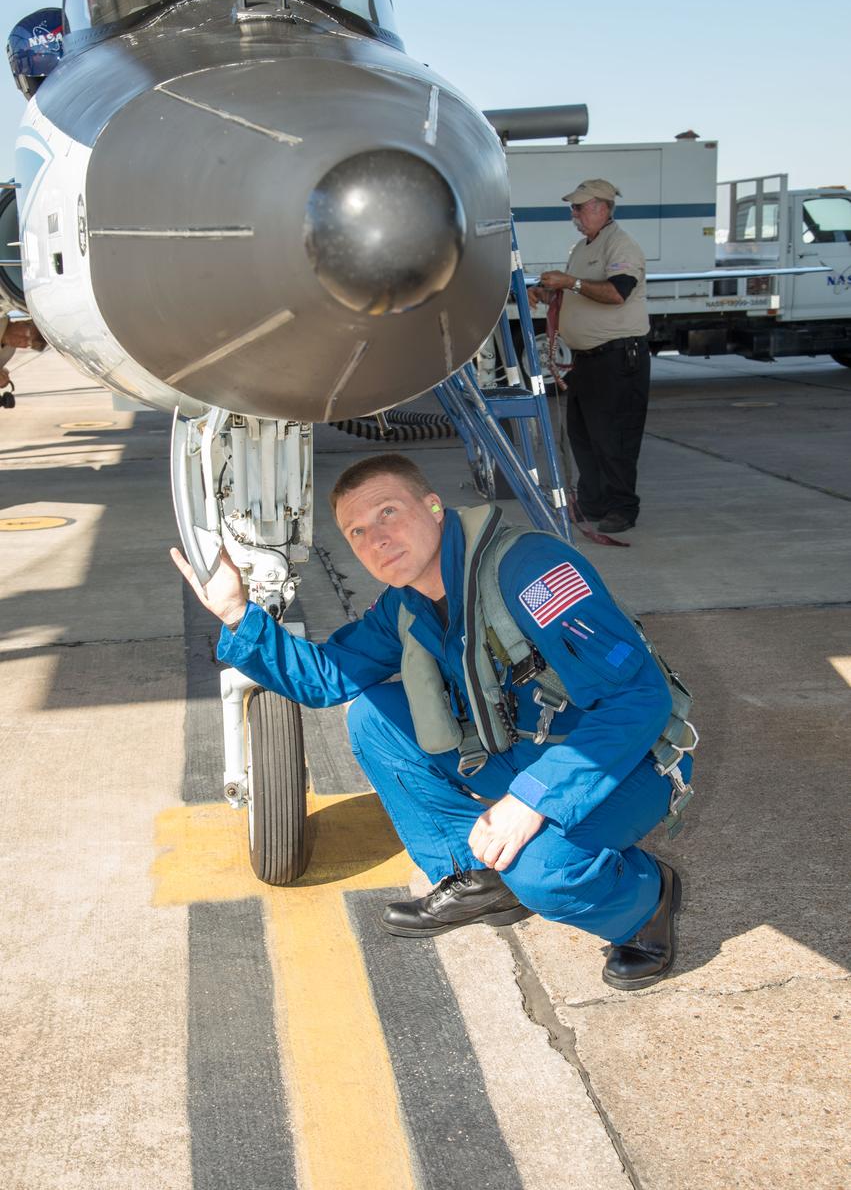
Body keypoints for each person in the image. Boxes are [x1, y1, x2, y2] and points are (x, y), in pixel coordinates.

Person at [171, 453, 695, 990]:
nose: (376, 538)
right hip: (521, 750)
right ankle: (475, 876)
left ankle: (643, 901)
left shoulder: (531, 571)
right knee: (373, 718)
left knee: (542, 872)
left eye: (388, 513)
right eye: (357, 531)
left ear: (434, 507)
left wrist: (531, 799)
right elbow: (325, 678)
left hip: (628, 763)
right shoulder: (407, 603)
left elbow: (637, 700)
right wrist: (238, 615)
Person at [528, 179, 651, 534]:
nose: (574, 214)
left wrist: (571, 283)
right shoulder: (585, 246)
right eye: (574, 208)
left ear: (602, 207)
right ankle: (595, 501)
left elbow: (617, 293)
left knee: (614, 438)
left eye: (579, 208)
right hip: (590, 359)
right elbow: (579, 294)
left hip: (617, 359)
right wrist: (547, 293)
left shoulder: (620, 245)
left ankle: (622, 508)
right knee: (583, 435)